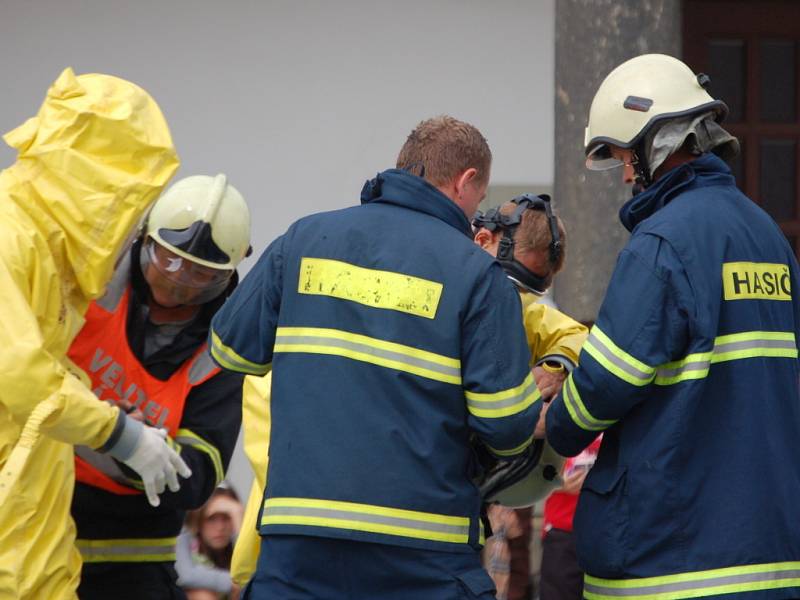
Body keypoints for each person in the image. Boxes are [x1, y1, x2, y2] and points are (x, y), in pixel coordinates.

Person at [209, 115, 542, 599]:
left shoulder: (303, 241)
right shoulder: (475, 272)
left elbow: (228, 348)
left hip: (300, 540)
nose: (476, 214)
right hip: (422, 550)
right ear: (466, 181)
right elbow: (508, 427)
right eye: (480, 199)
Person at [545, 53, 800, 599]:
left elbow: (604, 385)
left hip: (672, 563)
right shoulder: (768, 239)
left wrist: (556, 421)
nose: (628, 175)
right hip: (772, 559)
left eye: (625, 157)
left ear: (656, 142)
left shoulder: (663, 243)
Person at [0, 67, 187, 600]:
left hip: (31, 532)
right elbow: (22, 376)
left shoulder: (42, 245)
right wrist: (121, 434)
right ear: (94, 175)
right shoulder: (10, 237)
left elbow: (46, 373)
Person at [68, 174, 250, 600]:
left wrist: (140, 447)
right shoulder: (93, 278)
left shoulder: (222, 350)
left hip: (132, 562)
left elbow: (198, 475)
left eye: (201, 276)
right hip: (35, 524)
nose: (177, 283)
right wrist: (114, 432)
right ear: (144, 237)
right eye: (167, 262)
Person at [473, 196, 588, 600]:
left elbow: (574, 335)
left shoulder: (517, 302)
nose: (514, 296)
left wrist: (555, 367)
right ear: (485, 239)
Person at [539, 435, 602, 600]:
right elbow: (530, 478)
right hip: (562, 530)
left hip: (604, 531)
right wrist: (560, 485)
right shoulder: (557, 420)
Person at [176, 485, 244, 600]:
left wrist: (240, 523)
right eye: (211, 518)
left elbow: (256, 575)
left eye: (227, 517)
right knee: (203, 596)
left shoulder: (234, 544)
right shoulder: (183, 537)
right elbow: (184, 576)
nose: (220, 527)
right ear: (197, 519)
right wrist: (233, 583)